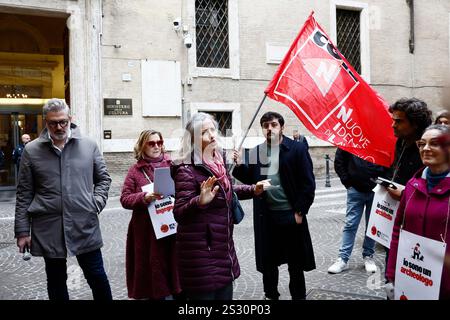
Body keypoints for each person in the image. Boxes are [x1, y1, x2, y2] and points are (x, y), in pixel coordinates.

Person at [14, 98, 112, 300]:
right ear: (45, 122)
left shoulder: (89, 145)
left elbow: (103, 179)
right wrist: (23, 231)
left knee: (97, 276)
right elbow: (24, 192)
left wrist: (95, 203)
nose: (58, 127)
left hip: (84, 223)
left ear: (70, 119)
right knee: (56, 281)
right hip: (49, 226)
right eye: (52, 123)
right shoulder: (32, 150)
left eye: (63, 122)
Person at [171, 112, 268, 300]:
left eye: (213, 130)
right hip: (199, 251)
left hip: (223, 247)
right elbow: (179, 212)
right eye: (204, 132)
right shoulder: (186, 168)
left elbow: (228, 190)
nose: (212, 135)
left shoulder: (218, 160)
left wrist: (253, 189)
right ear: (193, 138)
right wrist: (199, 202)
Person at [232, 111, 316, 300]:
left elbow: (308, 184)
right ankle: (271, 295)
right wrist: (239, 166)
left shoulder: (296, 149)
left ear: (281, 127)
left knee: (295, 263)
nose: (269, 128)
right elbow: (250, 180)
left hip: (290, 214)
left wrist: (300, 212)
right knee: (268, 263)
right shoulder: (256, 151)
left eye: (273, 124)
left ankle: (298, 296)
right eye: (265, 125)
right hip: (266, 216)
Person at [386, 124, 450, 300]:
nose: (426, 148)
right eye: (422, 144)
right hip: (413, 277)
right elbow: (398, 230)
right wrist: (391, 273)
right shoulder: (412, 186)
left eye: (434, 143)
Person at [120, 130, 181, 300]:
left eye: (159, 142)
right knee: (153, 269)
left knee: (173, 266)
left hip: (171, 225)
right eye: (151, 143)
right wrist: (144, 197)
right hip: (146, 232)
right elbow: (125, 199)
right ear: (142, 146)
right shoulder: (135, 171)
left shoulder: (173, 165)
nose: (156, 146)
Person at [327, 148, 385, 274]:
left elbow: (388, 161)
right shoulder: (353, 136)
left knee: (372, 225)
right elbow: (339, 160)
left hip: (376, 189)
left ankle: (368, 256)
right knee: (350, 224)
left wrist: (381, 179)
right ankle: (343, 258)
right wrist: (347, 181)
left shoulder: (378, 137)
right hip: (355, 189)